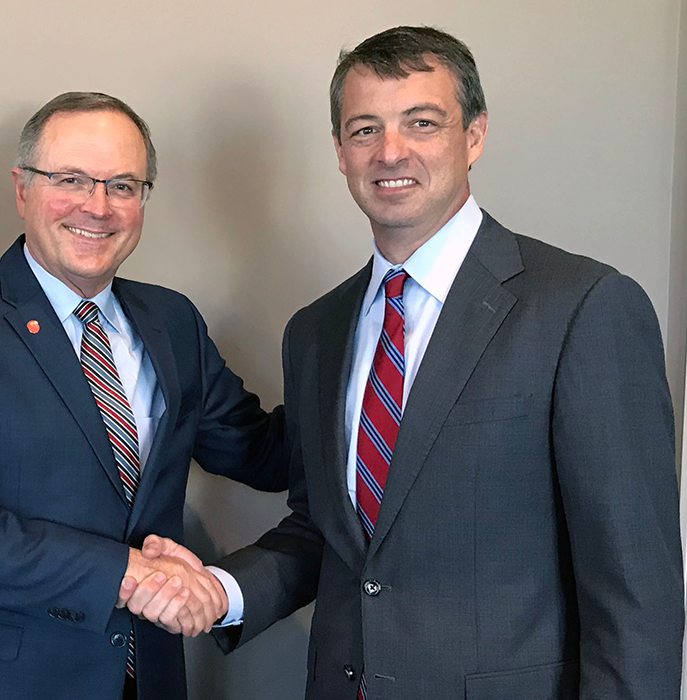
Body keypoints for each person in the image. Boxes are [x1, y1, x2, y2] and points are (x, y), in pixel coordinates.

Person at [129, 25, 685, 699]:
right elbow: (326, 535)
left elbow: (636, 594)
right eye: (364, 129)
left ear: (474, 135)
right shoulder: (317, 331)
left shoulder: (583, 308)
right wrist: (221, 590)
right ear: (339, 150)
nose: (390, 151)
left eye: (421, 122)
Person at [0, 91, 284, 700]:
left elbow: (261, 452)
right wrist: (125, 573)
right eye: (70, 179)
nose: (97, 207)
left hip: (148, 676)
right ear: (22, 189)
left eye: (123, 185)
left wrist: (367, 366)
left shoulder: (172, 320)